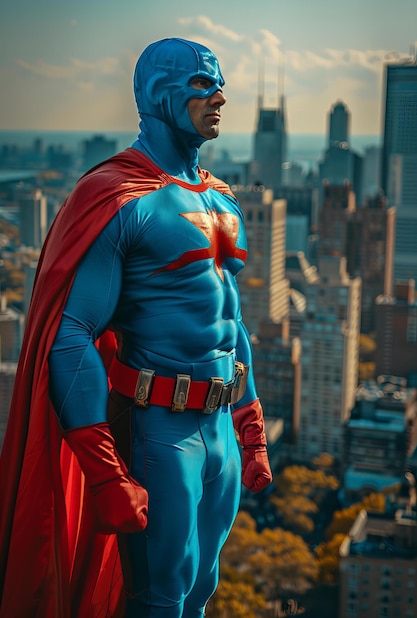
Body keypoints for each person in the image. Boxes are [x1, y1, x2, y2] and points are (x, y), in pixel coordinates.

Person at [0, 37, 272, 618]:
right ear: (157, 94)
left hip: (220, 430)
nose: (220, 96)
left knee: (200, 590)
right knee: (160, 597)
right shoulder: (116, 196)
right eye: (203, 83)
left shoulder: (222, 202)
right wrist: (102, 474)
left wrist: (251, 430)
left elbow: (230, 321)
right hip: (158, 434)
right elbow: (71, 333)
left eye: (219, 83)